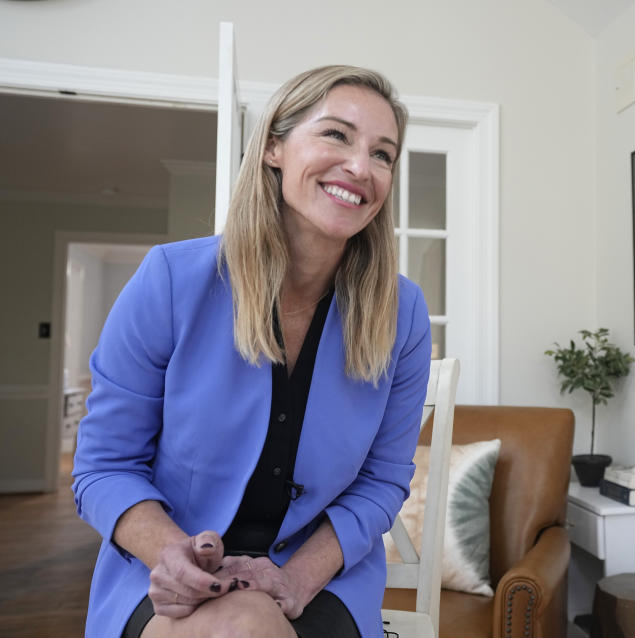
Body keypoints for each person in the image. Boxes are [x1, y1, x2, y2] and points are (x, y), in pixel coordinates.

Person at [71, 65, 432, 638]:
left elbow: (383, 483)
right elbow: (104, 468)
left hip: (319, 581)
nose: (361, 167)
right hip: (166, 571)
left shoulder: (403, 314)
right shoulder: (170, 281)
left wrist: (296, 579)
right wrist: (172, 555)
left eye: (383, 154)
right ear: (272, 147)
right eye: (336, 135)